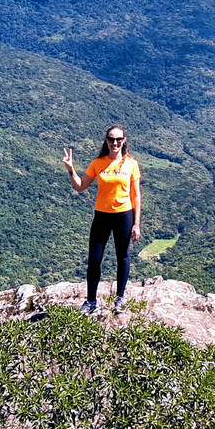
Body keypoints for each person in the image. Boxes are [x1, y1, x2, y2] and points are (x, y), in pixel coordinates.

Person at [62, 125, 141, 314]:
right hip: (102, 216)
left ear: (124, 140)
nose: (115, 143)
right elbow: (81, 186)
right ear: (106, 141)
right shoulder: (98, 163)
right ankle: (91, 302)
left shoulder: (131, 164)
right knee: (94, 260)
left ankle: (120, 299)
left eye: (119, 139)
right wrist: (71, 170)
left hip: (124, 215)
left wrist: (137, 224)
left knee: (122, 257)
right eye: (111, 139)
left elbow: (136, 195)